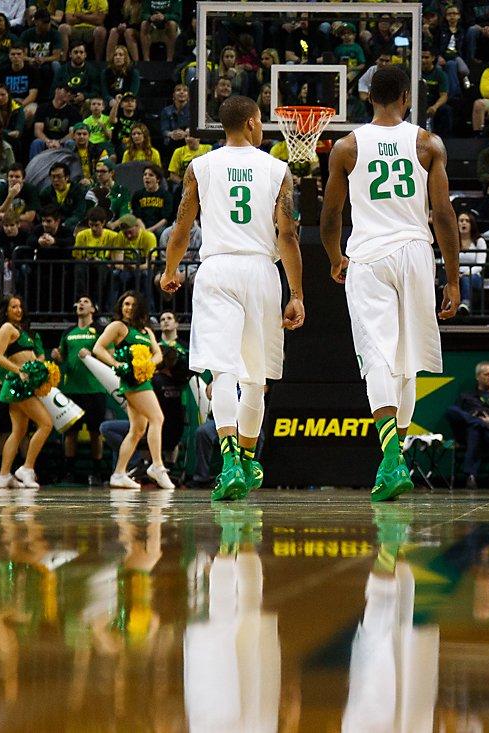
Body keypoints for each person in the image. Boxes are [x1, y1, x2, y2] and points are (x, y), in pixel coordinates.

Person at [320, 67, 459, 501]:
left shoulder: (346, 146)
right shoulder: (427, 143)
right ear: (406, 96)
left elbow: (330, 217)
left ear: (368, 98)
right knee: (406, 360)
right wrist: (452, 279)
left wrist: (333, 257)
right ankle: (394, 454)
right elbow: (443, 215)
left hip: (369, 254)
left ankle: (391, 459)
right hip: (416, 252)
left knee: (377, 356)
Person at [161, 95, 304, 500]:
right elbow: (288, 236)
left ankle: (229, 465)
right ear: (254, 123)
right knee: (255, 379)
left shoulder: (199, 167)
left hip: (217, 269)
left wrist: (170, 272)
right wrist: (297, 294)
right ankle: (245, 456)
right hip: (261, 270)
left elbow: (181, 229)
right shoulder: (278, 169)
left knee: (221, 371)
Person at [92, 291, 176, 489]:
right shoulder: (118, 327)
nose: (128, 308)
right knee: (158, 418)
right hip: (131, 380)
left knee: (137, 430)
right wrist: (116, 364)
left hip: (144, 378)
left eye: (132, 304)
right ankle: (157, 465)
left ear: (140, 308)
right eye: (125, 304)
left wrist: (148, 364)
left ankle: (119, 473)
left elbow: (157, 354)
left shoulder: (147, 331)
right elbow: (98, 348)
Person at [0, 295, 53, 488]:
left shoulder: (21, 330)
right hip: (18, 384)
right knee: (46, 424)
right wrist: (21, 371)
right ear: (6, 310)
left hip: (23, 384)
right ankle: (27, 468)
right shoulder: (6, 328)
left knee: (18, 431)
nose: (18, 310)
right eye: (13, 307)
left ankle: (3, 476)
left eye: (20, 306)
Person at [444, 361, 489, 488]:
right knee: (455, 413)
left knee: (476, 430)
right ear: (478, 377)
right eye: (486, 374)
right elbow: (454, 415)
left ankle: (470, 475)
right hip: (466, 436)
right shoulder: (466, 396)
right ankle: (477, 423)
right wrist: (474, 419)